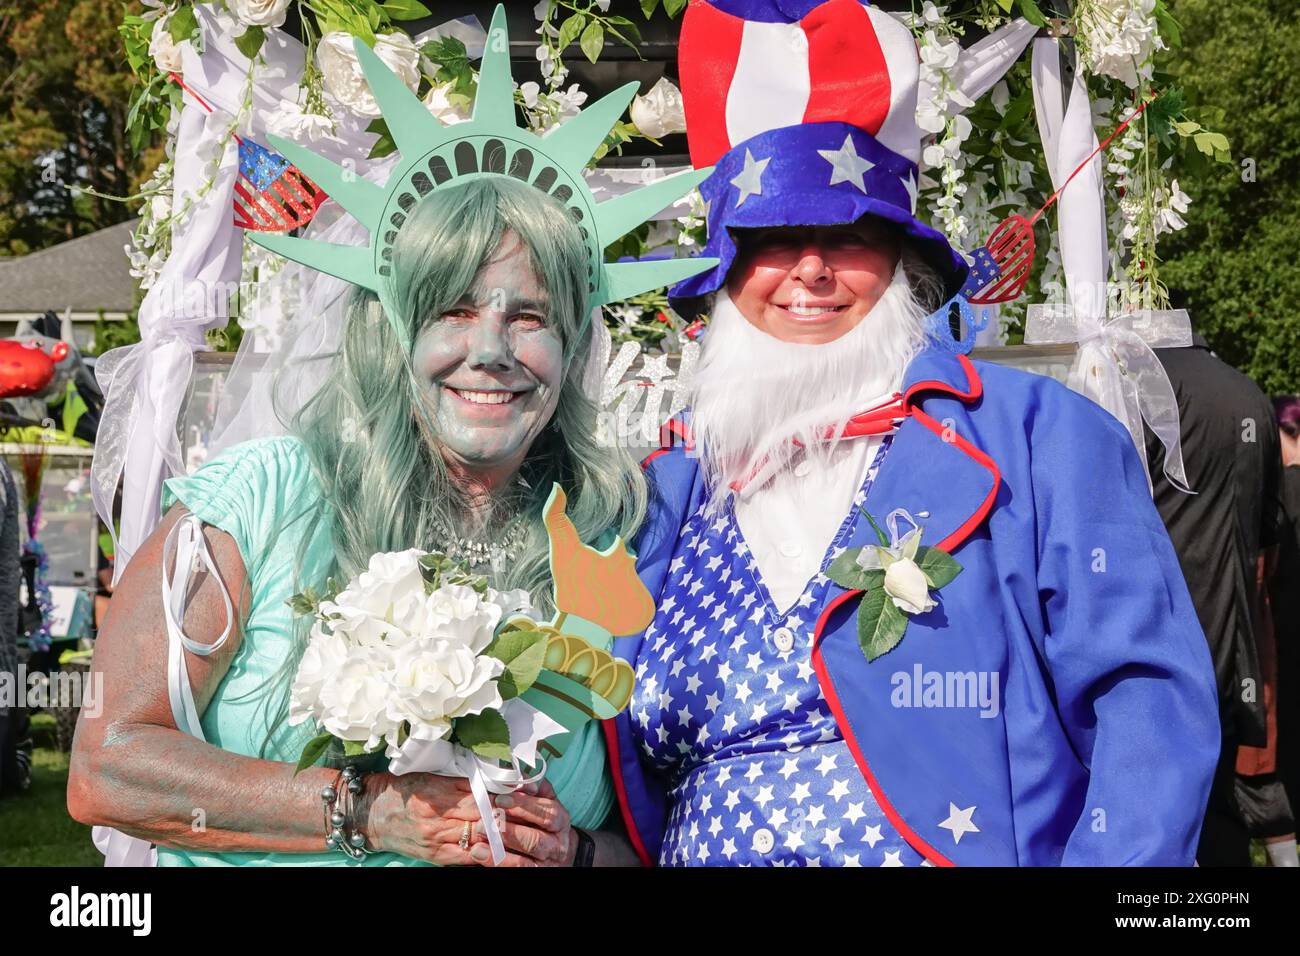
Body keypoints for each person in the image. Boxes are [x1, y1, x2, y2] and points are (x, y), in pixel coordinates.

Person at [67, 9, 712, 866]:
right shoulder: (261, 502)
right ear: (392, 331)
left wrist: (577, 853)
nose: (490, 352)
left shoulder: (621, 537)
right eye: (451, 310)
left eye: (530, 317)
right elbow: (107, 768)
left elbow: (671, 826)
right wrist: (362, 811)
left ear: (571, 345)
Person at [603, 0, 1220, 867]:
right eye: (772, 237)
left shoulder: (1041, 437)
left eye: (849, 235)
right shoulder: (663, 492)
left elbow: (1148, 710)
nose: (810, 267)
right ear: (725, 269)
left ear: (902, 261)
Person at [1144, 331, 1295, 866]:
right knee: (1220, 801)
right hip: (1232, 636)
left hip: (1154, 632)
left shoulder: (1137, 384)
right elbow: (1271, 530)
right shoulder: (1249, 393)